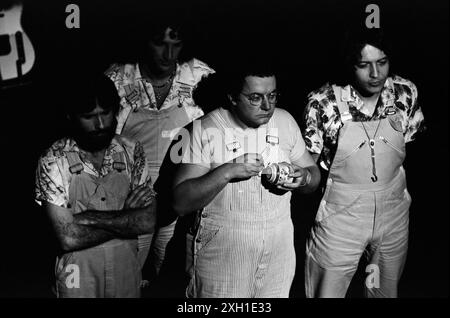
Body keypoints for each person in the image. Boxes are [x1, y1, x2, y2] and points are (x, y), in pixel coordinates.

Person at [171, 57, 320, 298]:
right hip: (223, 255)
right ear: (232, 97)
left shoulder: (284, 121)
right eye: (255, 97)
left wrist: (302, 178)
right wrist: (227, 170)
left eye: (272, 96)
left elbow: (314, 178)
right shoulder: (202, 130)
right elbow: (180, 202)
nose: (267, 106)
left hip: (278, 252)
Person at [302, 28, 425, 298]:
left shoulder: (405, 93)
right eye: (364, 65)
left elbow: (410, 148)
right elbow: (309, 165)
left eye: (382, 62)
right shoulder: (323, 102)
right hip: (342, 216)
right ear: (349, 65)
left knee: (383, 291)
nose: (375, 74)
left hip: (393, 211)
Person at [105, 12, 215, 284]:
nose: (168, 54)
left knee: (172, 274)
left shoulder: (198, 76)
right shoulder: (118, 79)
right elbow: (101, 147)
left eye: (175, 44)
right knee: (124, 276)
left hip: (178, 198)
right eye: (159, 43)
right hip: (131, 200)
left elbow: (218, 131)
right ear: (144, 41)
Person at [35, 74, 156, 298]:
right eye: (89, 117)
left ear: (116, 110)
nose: (100, 125)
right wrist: (126, 217)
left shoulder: (132, 150)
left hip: (125, 268)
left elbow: (147, 221)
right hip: (78, 274)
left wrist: (86, 217)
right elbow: (68, 238)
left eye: (105, 114)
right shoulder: (54, 159)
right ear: (71, 117)